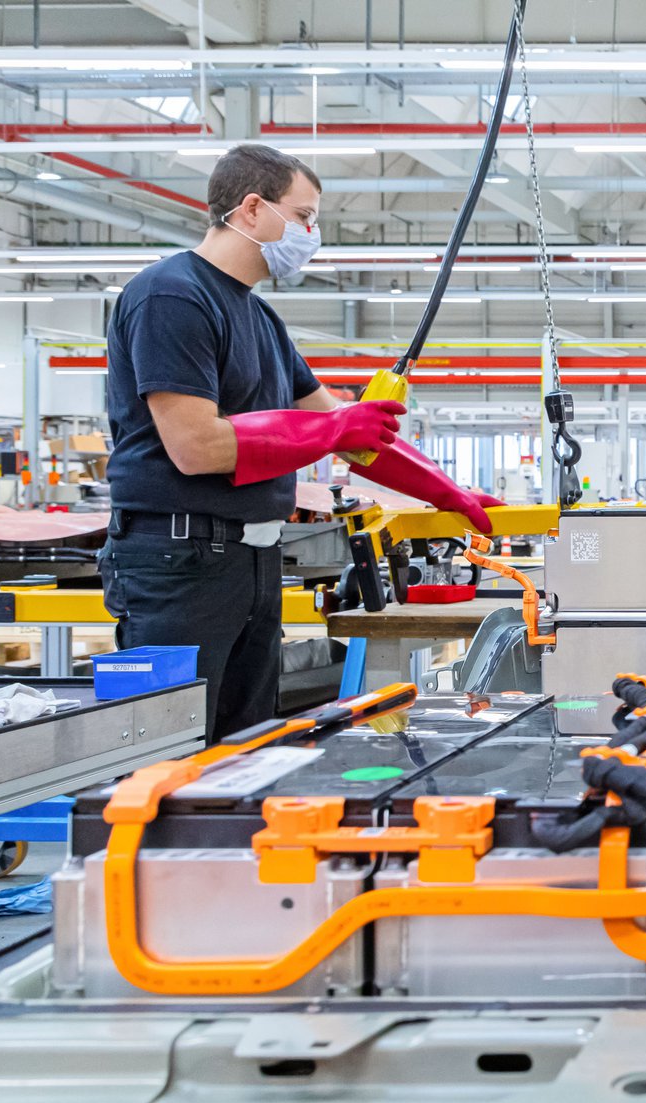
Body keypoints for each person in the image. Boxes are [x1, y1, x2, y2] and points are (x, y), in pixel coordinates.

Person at [100, 143, 501, 741]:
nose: (312, 234)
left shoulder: (261, 319)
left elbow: (350, 432)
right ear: (252, 208)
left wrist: (449, 494)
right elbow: (196, 446)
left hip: (250, 560)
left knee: (246, 746)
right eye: (304, 216)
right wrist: (336, 429)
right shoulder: (172, 296)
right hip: (177, 562)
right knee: (169, 747)